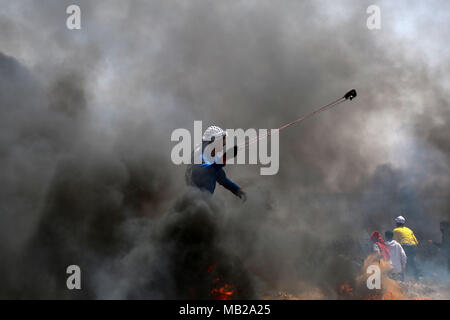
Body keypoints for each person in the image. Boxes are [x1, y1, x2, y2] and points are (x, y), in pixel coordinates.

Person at [186, 125, 246, 200]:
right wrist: (225, 158)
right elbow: (205, 171)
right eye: (222, 140)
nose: (224, 143)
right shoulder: (198, 155)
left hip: (206, 203)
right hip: (194, 202)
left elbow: (221, 178)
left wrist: (237, 190)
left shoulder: (213, 158)